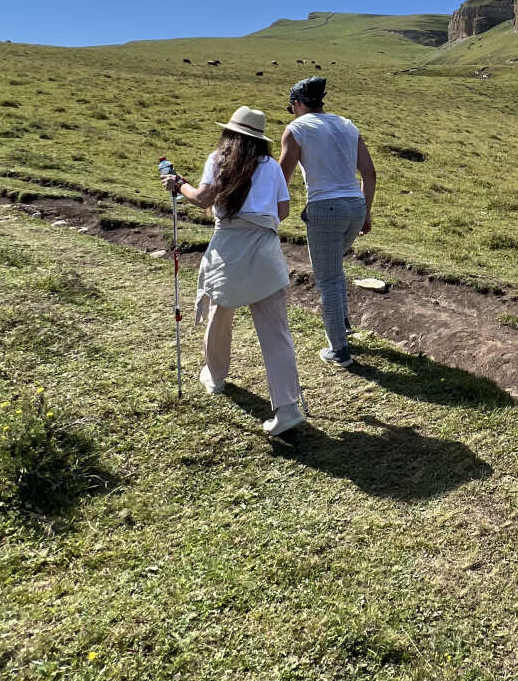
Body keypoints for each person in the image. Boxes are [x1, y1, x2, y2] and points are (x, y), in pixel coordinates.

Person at [161, 105, 305, 437]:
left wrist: (178, 184)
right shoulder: (271, 167)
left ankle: (215, 376)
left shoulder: (219, 159)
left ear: (230, 133)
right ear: (260, 139)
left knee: (220, 312)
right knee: (276, 333)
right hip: (266, 249)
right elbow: (282, 210)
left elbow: (201, 199)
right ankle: (288, 408)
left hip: (229, 246)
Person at [279, 76, 377, 370]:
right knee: (335, 269)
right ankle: (342, 323)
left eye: (291, 106)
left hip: (325, 208)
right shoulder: (347, 125)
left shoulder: (296, 129)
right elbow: (369, 173)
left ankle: (339, 351)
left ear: (297, 104)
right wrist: (367, 211)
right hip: (355, 206)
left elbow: (282, 177)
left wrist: (272, 212)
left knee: (328, 279)